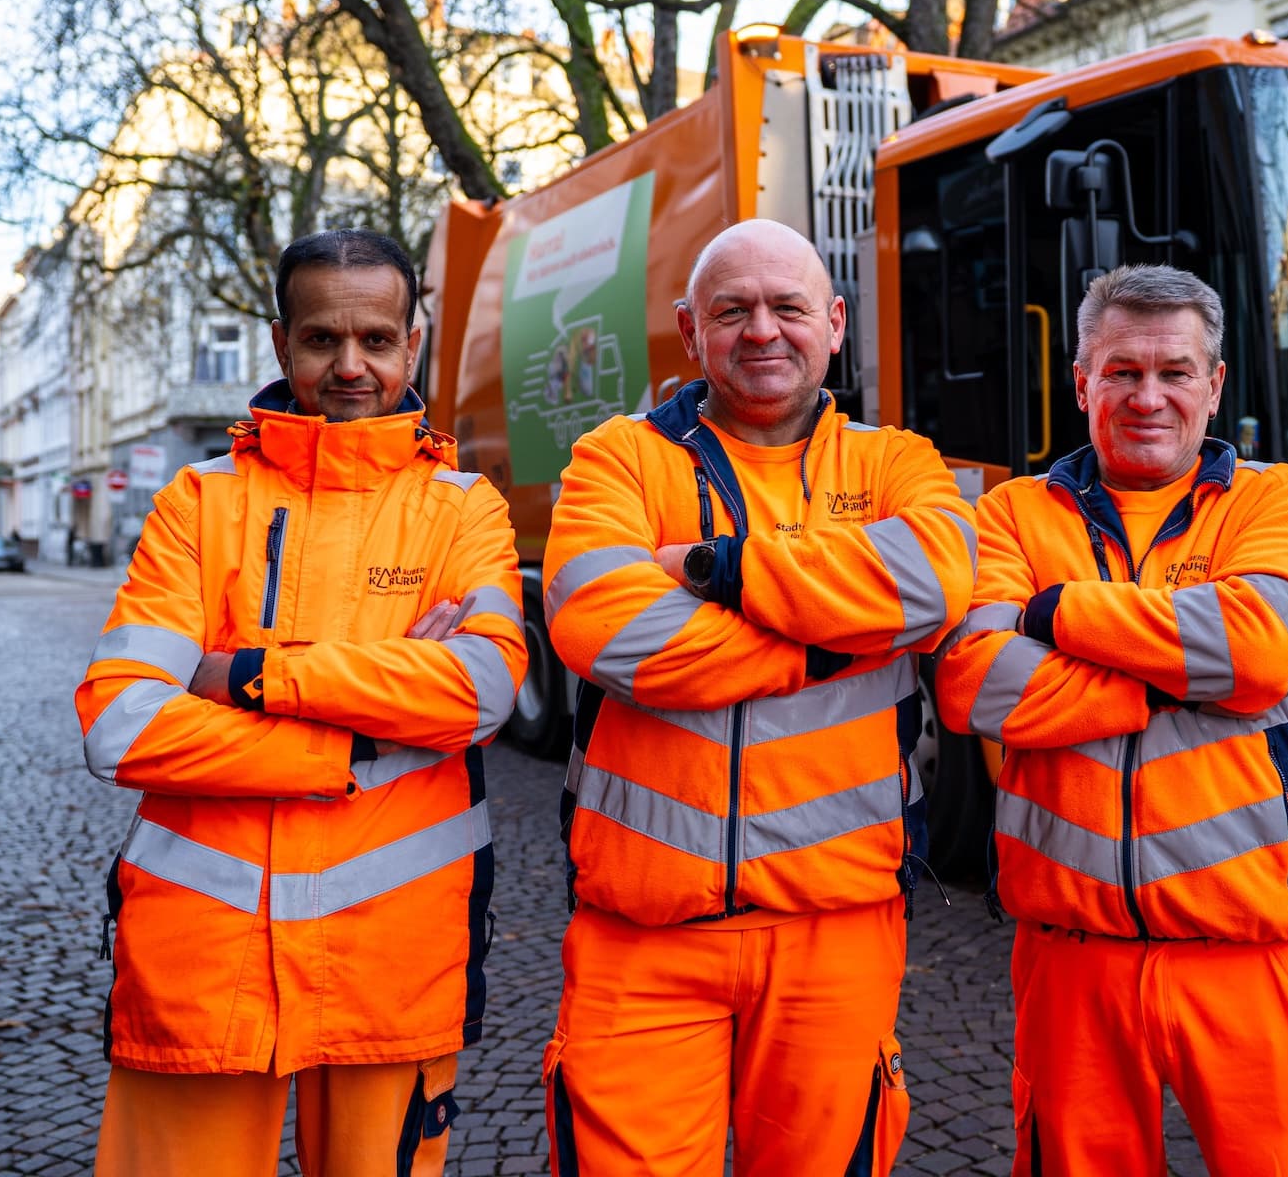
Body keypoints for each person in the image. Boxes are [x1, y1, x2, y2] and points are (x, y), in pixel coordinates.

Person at [74, 228, 530, 1177]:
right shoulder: (197, 503)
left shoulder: (466, 508)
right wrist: (355, 748)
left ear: (415, 343)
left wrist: (246, 677)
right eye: (323, 340)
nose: (351, 365)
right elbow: (121, 725)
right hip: (202, 964)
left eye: (376, 338)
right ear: (281, 346)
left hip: (392, 963)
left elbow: (480, 691)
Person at [540, 218, 977, 1176]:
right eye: (732, 312)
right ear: (690, 332)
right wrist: (838, 644)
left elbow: (936, 583)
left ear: (834, 322)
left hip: (836, 932)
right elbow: (606, 630)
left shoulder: (897, 462)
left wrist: (712, 569)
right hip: (639, 939)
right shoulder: (617, 458)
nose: (762, 332)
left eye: (787, 308)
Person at [934, 264, 1288, 1175]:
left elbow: (1255, 652)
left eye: (1176, 372)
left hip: (1254, 949)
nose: (1148, 396)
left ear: (1214, 386)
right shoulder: (1010, 515)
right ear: (1082, 379)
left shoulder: (1277, 499)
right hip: (1071, 956)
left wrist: (1055, 615)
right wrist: (1186, 674)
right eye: (1122, 371)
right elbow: (975, 685)